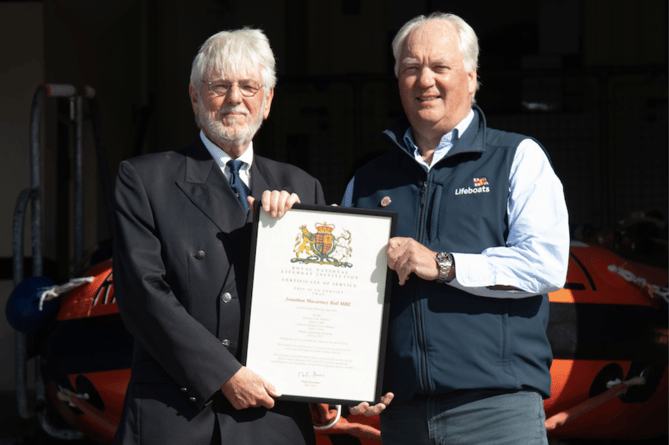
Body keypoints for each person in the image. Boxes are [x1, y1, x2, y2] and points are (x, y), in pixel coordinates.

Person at [343, 12, 570, 445]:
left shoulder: (517, 158)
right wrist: (349, 378)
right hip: (402, 418)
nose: (424, 80)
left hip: (497, 415)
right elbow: (348, 295)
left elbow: (545, 265)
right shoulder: (367, 181)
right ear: (397, 79)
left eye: (439, 67)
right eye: (411, 68)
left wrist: (444, 264)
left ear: (471, 75)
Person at [112, 28, 325, 445]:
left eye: (249, 86)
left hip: (273, 420)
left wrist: (332, 383)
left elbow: (319, 299)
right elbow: (142, 293)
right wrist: (224, 373)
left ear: (268, 100)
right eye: (219, 86)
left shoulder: (302, 187)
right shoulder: (144, 179)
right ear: (194, 97)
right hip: (177, 418)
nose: (234, 99)